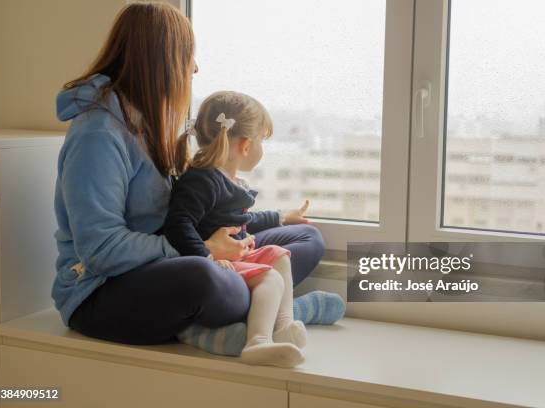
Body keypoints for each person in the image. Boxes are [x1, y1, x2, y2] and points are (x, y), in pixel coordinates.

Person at [51, 2, 344, 353]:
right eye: (188, 56)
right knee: (206, 278)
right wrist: (203, 249)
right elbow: (101, 251)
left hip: (174, 255)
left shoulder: (149, 123)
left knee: (304, 238)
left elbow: (188, 213)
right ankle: (281, 314)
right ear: (163, 63)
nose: (195, 67)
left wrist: (221, 240)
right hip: (104, 291)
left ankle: (264, 314)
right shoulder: (98, 134)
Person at [164, 91, 311, 367]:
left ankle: (283, 326)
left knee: (279, 255)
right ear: (245, 145)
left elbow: (242, 220)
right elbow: (178, 223)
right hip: (218, 263)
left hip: (236, 254)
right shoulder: (202, 181)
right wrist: (209, 258)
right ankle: (258, 342)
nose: (261, 149)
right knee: (271, 279)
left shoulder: (226, 179)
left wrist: (281, 217)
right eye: (262, 142)